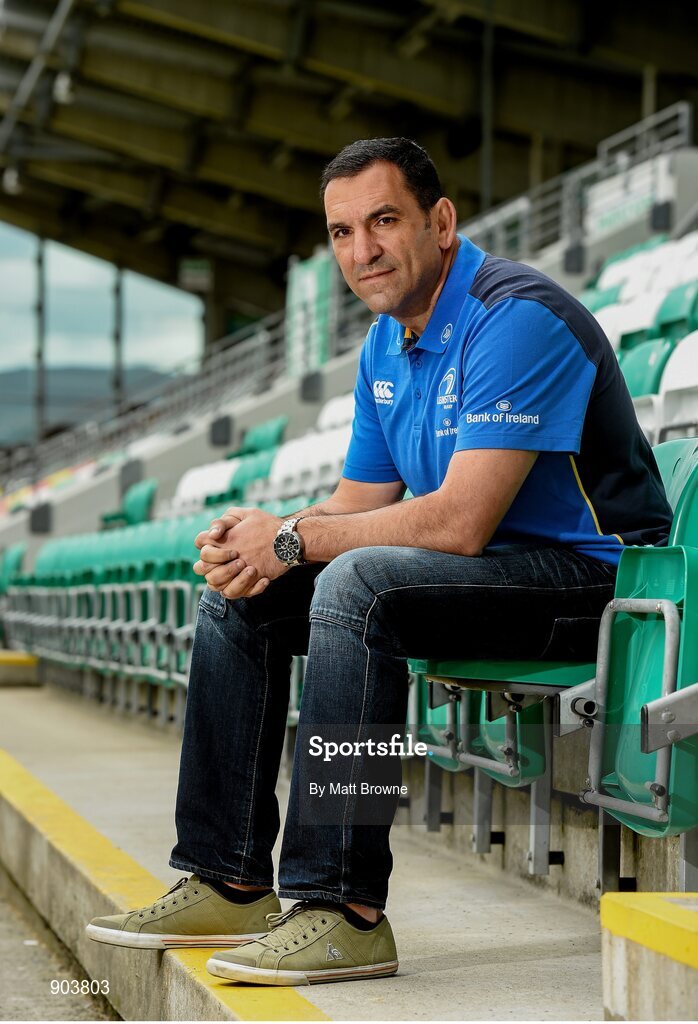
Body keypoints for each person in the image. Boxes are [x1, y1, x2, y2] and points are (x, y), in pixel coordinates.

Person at [86, 138, 672, 985]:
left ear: (440, 222)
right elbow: (357, 505)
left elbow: (462, 522)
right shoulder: (387, 343)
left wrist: (297, 539)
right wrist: (264, 538)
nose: (361, 252)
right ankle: (228, 876)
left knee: (359, 585)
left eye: (384, 221)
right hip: (482, 575)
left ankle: (344, 907)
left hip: (592, 579)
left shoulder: (517, 316)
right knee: (241, 595)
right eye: (341, 232)